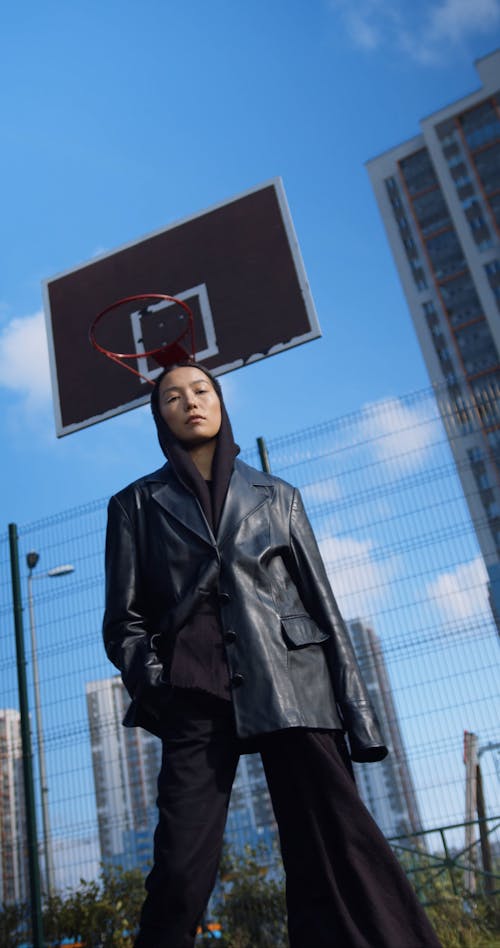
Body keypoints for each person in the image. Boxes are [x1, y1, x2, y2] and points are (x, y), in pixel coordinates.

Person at [102, 361, 441, 948]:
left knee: (334, 844)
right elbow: (124, 622)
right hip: (196, 692)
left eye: (201, 391)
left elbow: (324, 607)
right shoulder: (135, 504)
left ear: (221, 401)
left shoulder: (278, 495)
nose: (190, 403)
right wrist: (159, 685)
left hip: (292, 682)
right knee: (180, 866)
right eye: (173, 398)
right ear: (160, 418)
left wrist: (357, 714)